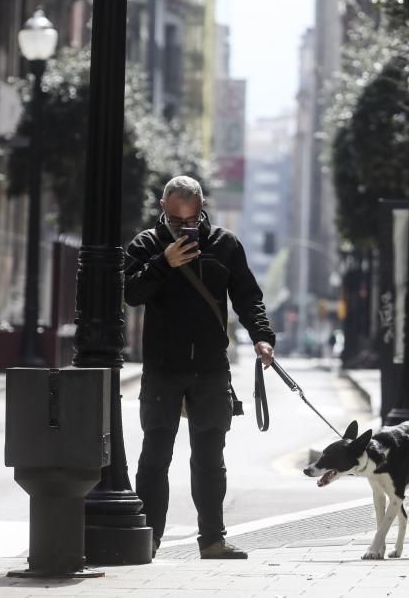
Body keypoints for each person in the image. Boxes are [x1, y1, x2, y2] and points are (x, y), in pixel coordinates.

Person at [124, 176, 275, 560]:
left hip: (210, 367)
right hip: (162, 366)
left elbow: (247, 296)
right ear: (162, 208)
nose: (183, 230)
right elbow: (131, 293)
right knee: (155, 456)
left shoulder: (225, 244)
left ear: (202, 208)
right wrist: (164, 263)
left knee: (210, 458)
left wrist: (262, 336)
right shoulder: (146, 244)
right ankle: (148, 539)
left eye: (190, 222)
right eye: (176, 222)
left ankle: (212, 539)